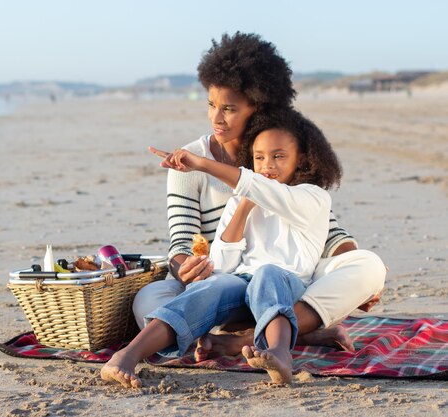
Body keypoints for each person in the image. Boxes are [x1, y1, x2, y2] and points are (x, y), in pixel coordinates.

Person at [133, 32, 385, 353]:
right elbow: (181, 240)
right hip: (221, 283)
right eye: (211, 105)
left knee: (366, 266)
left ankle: (243, 339)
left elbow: (330, 232)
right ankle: (295, 331)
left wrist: (361, 278)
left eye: (229, 108)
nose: (216, 118)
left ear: (258, 105)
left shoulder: (282, 156)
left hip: (286, 279)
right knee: (147, 300)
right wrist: (186, 269)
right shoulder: (191, 161)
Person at [101, 108, 340, 387]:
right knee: (210, 287)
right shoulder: (241, 199)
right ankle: (128, 355)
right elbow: (223, 265)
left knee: (268, 273)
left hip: (287, 284)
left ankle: (279, 354)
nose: (267, 165)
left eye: (279, 156)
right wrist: (244, 207)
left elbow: (270, 193)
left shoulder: (313, 196)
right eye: (259, 158)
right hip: (240, 285)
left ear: (301, 160)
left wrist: (206, 165)